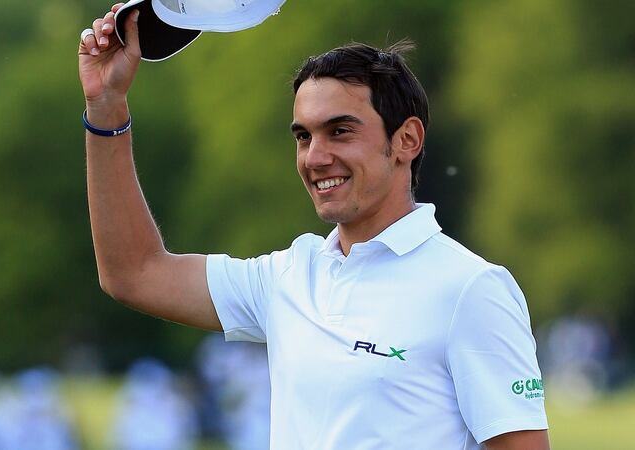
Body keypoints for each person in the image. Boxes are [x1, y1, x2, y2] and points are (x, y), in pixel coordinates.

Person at [77, 3, 550, 449]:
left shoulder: (472, 288)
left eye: (339, 131)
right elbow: (133, 272)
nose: (315, 158)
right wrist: (106, 107)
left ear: (406, 140)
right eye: (304, 136)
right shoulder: (288, 277)